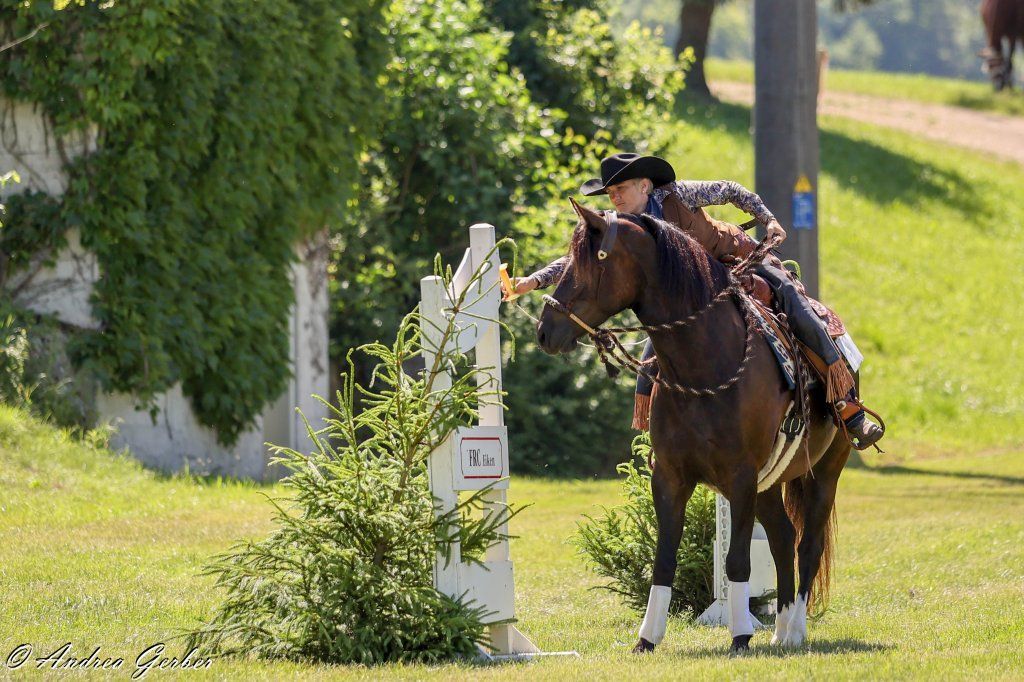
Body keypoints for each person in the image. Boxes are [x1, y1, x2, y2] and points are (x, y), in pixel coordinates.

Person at [511, 152, 885, 450]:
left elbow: (731, 189)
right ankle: (660, 444)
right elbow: (582, 261)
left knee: (794, 302)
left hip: (736, 259)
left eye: (620, 190)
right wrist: (534, 280)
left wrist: (766, 219)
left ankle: (847, 407)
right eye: (609, 194)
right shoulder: (618, 229)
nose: (614, 199)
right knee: (653, 355)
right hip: (692, 293)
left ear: (644, 185)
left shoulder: (680, 194)